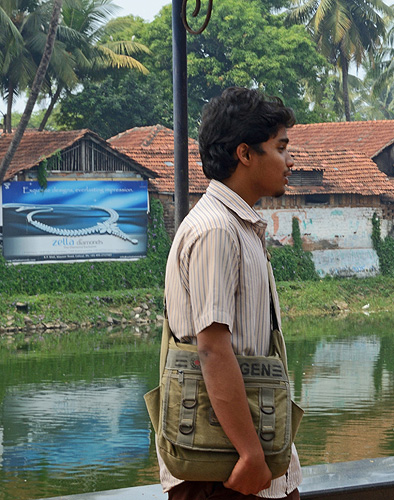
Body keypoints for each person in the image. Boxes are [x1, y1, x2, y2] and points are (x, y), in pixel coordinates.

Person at [160, 87, 301, 500]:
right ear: (244, 154)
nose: (290, 161)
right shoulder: (217, 230)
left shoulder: (240, 226)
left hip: (245, 461)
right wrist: (250, 453)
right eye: (280, 147)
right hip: (224, 469)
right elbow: (212, 350)